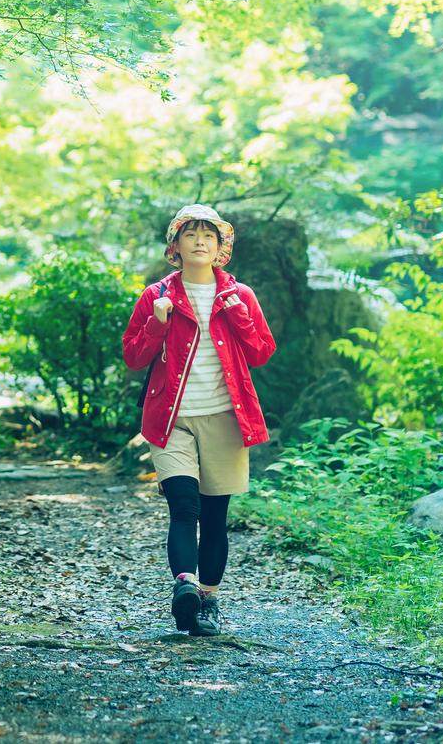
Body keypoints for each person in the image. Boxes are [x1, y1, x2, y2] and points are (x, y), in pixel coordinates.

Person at [120, 204, 276, 636]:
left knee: (215, 513)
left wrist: (238, 315)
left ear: (222, 246)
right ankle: (184, 588)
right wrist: (157, 324)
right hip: (171, 420)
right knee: (183, 507)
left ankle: (207, 602)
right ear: (176, 245)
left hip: (227, 417)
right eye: (191, 234)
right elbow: (133, 357)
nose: (201, 241)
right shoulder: (156, 296)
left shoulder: (239, 295)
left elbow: (262, 351)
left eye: (210, 235)